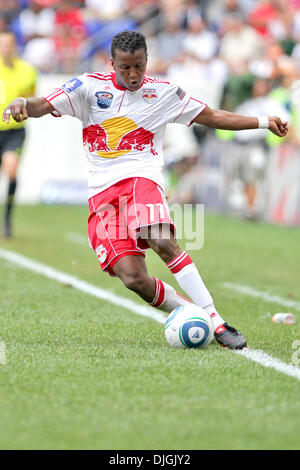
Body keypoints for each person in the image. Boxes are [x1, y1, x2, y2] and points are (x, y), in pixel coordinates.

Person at [2, 30, 288, 349]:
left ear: (147, 61)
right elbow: (44, 104)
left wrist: (263, 121)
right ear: (112, 63)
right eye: (125, 67)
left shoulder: (165, 93)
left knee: (161, 240)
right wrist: (23, 104)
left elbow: (213, 116)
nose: (133, 74)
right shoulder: (88, 87)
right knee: (133, 277)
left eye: (139, 66)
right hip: (101, 194)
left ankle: (216, 321)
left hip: (141, 177)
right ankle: (190, 314)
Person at [0, 31, 37, 237]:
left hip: (14, 131)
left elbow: (31, 99)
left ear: (14, 46)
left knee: (11, 170)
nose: (6, 48)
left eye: (9, 44)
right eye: (2, 44)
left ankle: (7, 219)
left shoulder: (27, 71)